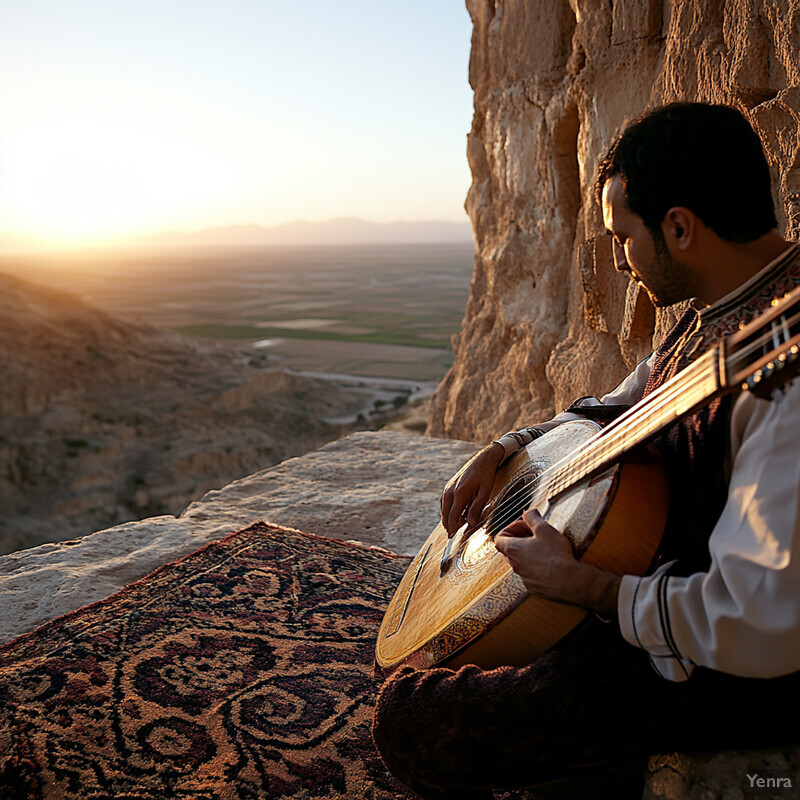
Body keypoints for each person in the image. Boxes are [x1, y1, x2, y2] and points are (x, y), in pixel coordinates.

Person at [372, 102, 800, 799]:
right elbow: (630, 400)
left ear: (681, 228)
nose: (617, 262)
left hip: (727, 666)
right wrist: (506, 447)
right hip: (650, 579)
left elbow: (765, 623)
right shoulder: (722, 304)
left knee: (413, 718)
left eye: (621, 237)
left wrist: (588, 590)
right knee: (470, 634)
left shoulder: (783, 390)